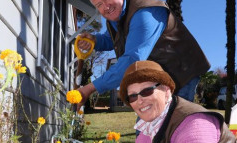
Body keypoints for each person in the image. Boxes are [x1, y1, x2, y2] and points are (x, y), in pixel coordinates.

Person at [76, 0, 210, 111]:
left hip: (180, 72)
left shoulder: (145, 12)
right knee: (149, 123)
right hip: (156, 76)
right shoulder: (116, 16)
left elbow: (131, 62)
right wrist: (95, 40)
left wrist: (89, 89)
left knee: (173, 123)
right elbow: (112, 38)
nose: (106, 6)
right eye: (99, 4)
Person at [119, 60, 236, 142]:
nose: (139, 100)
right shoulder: (148, 128)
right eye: (133, 96)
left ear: (166, 91)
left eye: (147, 91)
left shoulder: (194, 125)